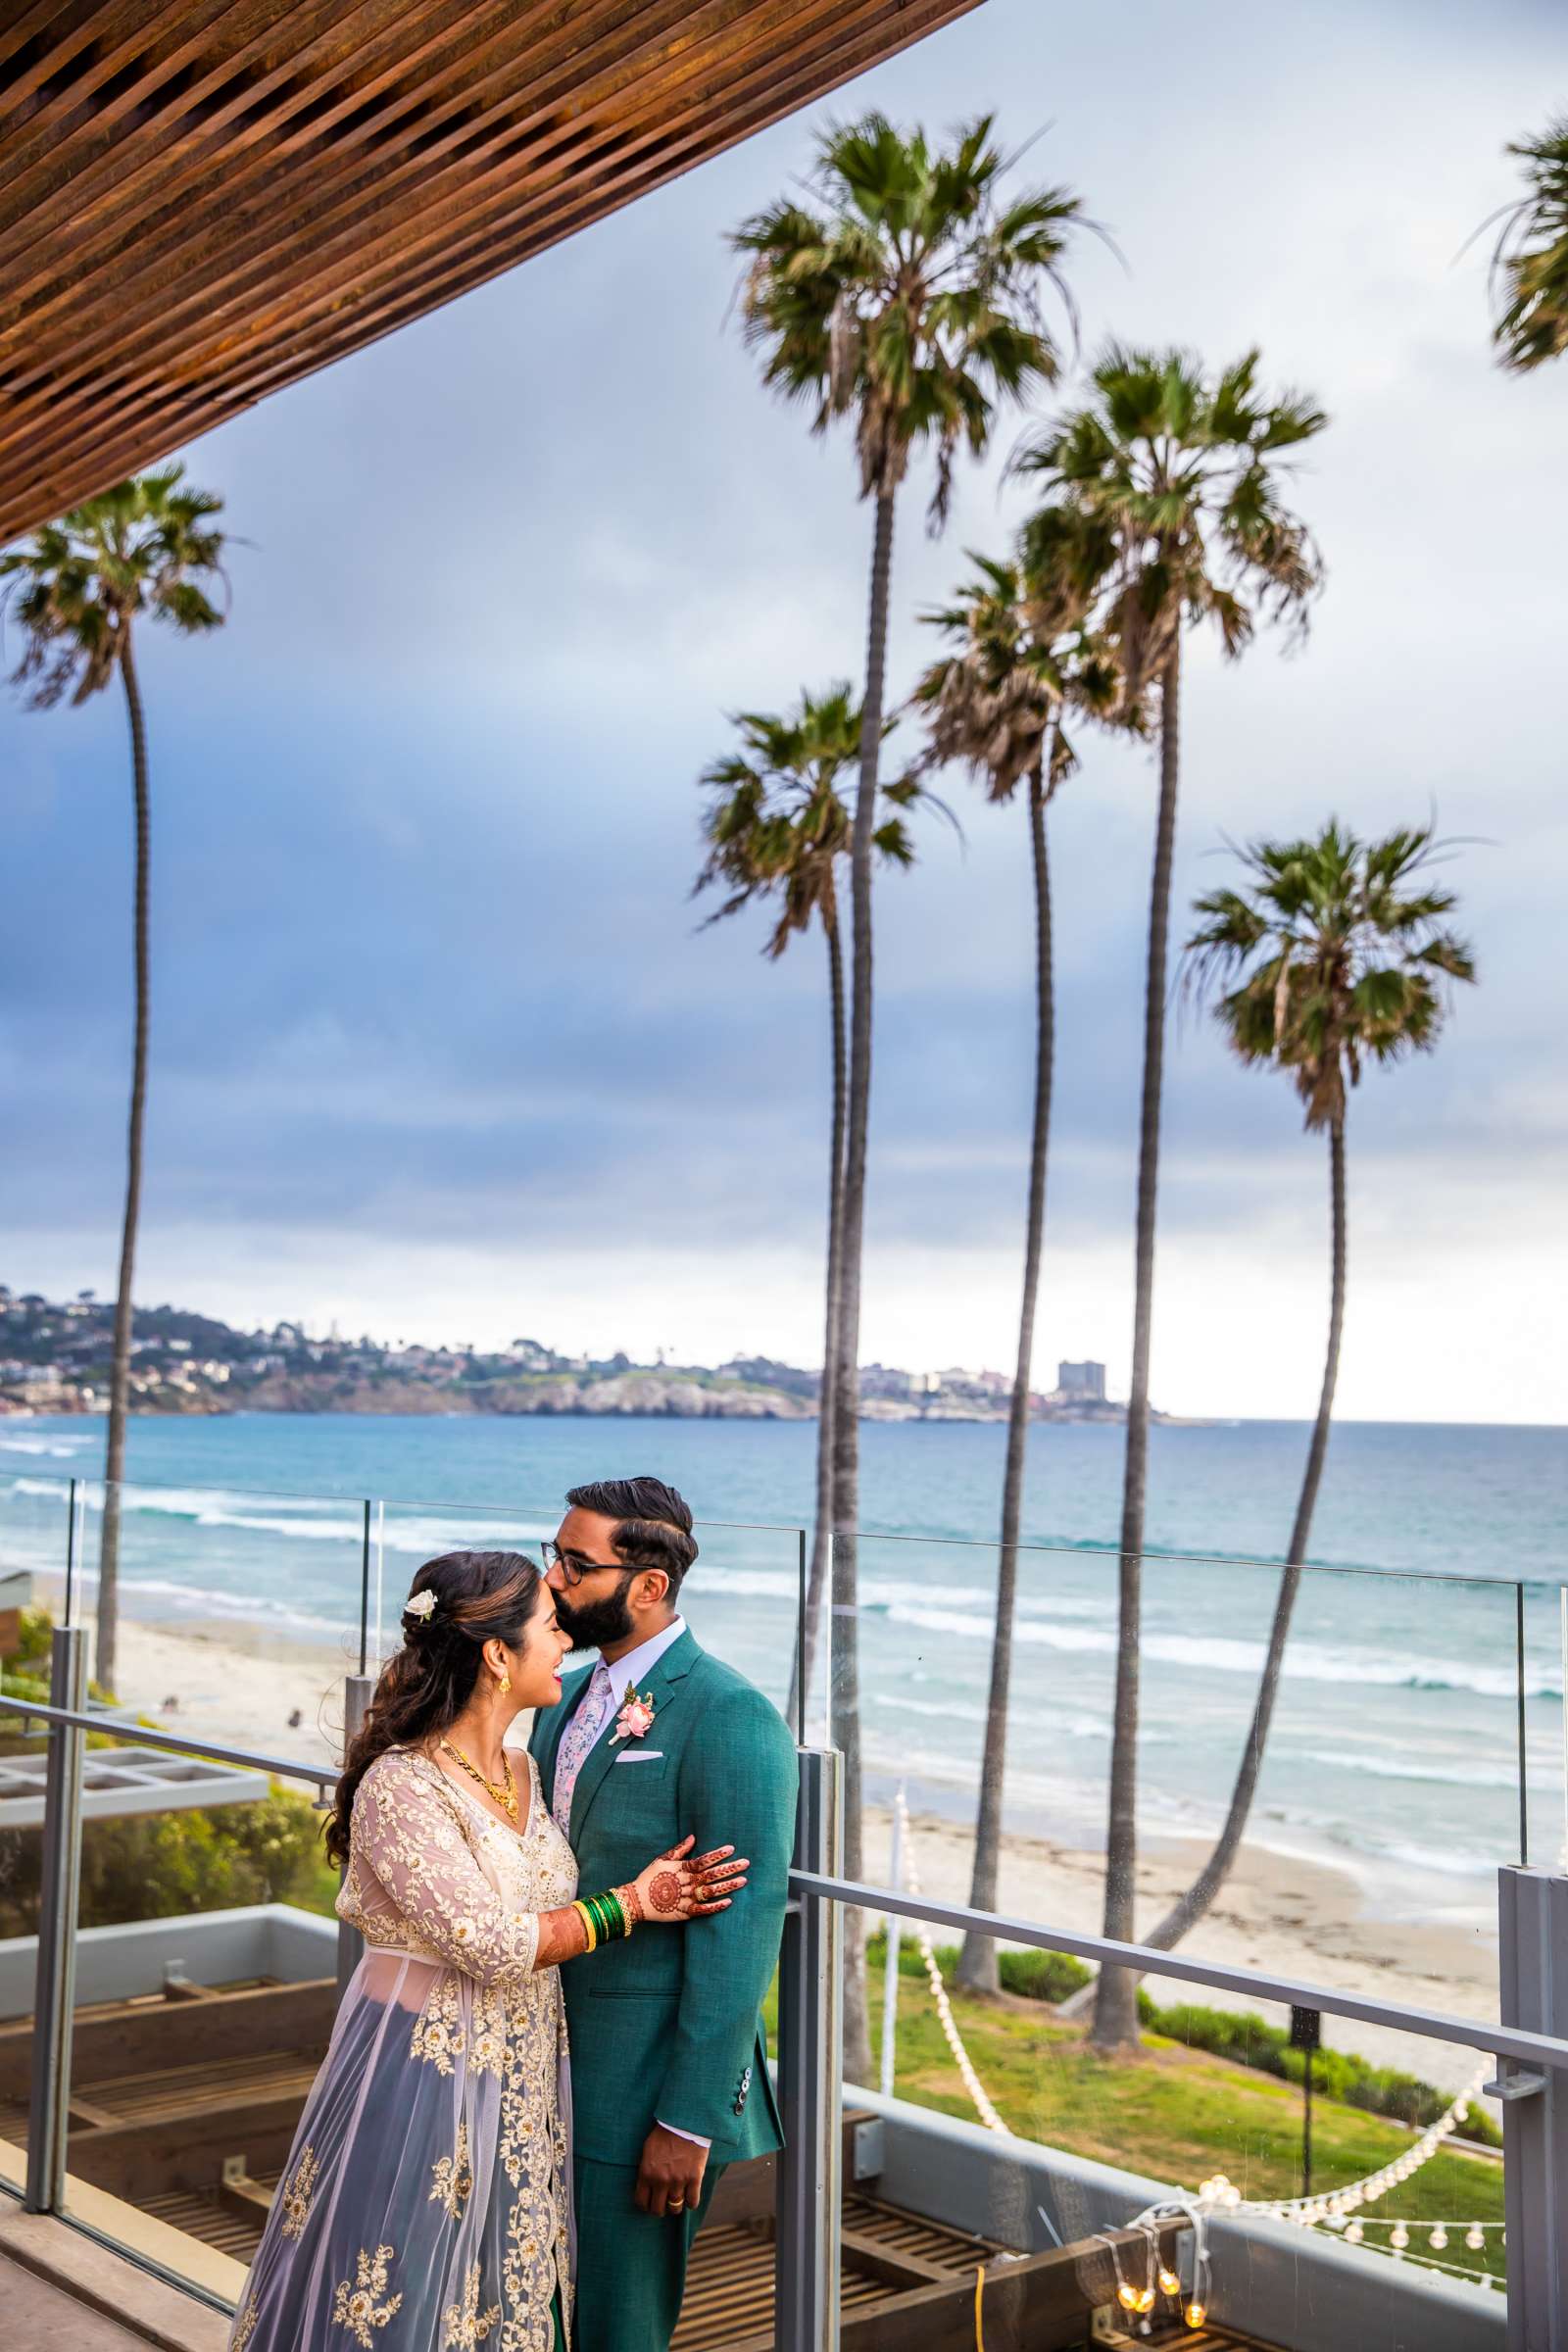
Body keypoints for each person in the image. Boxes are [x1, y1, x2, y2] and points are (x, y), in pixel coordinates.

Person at [225, 1549, 747, 2352]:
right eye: (549, 1627)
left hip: (523, 2075)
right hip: (420, 2074)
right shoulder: (400, 1786)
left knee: (508, 2296)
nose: (565, 1641)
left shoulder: (524, 1770)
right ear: (498, 1656)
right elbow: (491, 1945)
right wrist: (635, 1904)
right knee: (400, 2294)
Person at [529, 1477, 799, 2352]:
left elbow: (743, 1930)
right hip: (536, 2064)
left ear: (649, 1586)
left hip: (641, 2092)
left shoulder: (730, 1714)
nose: (554, 1581)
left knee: (618, 2326)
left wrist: (688, 2120)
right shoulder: (563, 1696)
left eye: (576, 1564)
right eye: (554, 1555)